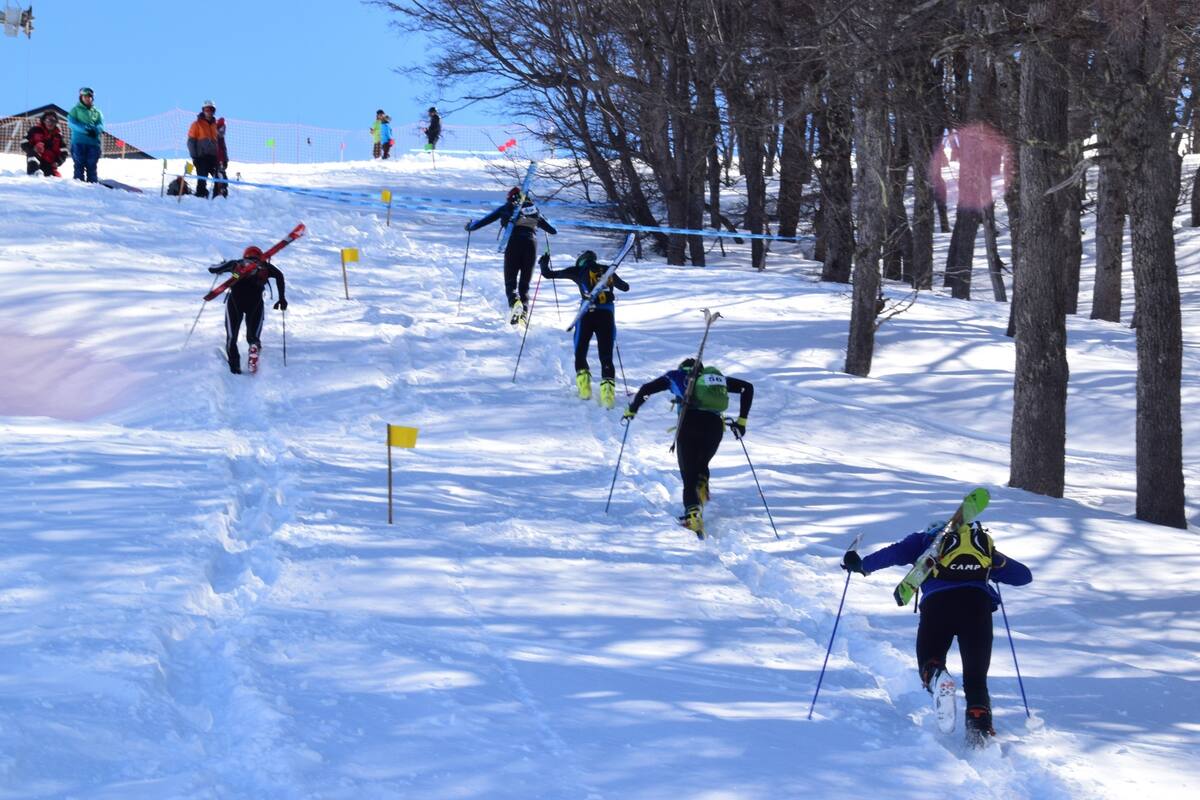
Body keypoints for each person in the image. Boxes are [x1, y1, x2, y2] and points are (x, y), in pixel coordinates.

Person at [841, 518, 1032, 745]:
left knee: (930, 659)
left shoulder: (923, 540)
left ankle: (937, 676)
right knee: (976, 677)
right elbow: (1023, 576)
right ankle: (978, 733)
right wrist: (994, 562)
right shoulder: (983, 548)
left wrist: (860, 564)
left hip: (937, 606)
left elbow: (891, 554)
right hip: (978, 608)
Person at [623, 359, 753, 537]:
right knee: (702, 462)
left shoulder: (676, 377)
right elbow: (747, 388)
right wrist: (742, 422)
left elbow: (647, 389)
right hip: (714, 427)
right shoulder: (715, 380)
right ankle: (702, 483)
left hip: (689, 424)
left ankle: (693, 515)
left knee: (688, 474)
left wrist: (633, 409)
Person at [539, 249, 629, 408]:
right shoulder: (608, 269)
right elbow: (625, 287)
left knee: (580, 350)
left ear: (580, 260)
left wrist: (543, 262)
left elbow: (548, 274)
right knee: (606, 355)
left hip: (586, 314)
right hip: (607, 315)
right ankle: (608, 394)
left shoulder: (577, 270)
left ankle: (584, 388)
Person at [464, 187, 557, 324]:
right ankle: (523, 314)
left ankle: (514, 304)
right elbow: (552, 230)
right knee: (524, 284)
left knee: (510, 282)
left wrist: (470, 227)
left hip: (514, 244)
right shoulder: (533, 209)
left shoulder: (507, 208)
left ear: (510, 198)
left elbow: (485, 220)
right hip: (531, 245)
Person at [208, 247, 288, 375]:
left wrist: (222, 267)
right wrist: (282, 298)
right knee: (253, 335)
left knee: (232, 336)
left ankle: (234, 368)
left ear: (246, 255)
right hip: (255, 302)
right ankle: (254, 345)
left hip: (235, 301)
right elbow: (280, 276)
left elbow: (212, 269)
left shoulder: (236, 264)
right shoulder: (265, 267)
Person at [67, 87, 104, 183]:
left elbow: (101, 125)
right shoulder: (75, 110)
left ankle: (93, 184)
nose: (87, 98)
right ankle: (79, 184)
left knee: (92, 165)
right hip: (79, 142)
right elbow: (72, 123)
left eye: (89, 97)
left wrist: (95, 130)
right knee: (79, 164)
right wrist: (85, 130)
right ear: (81, 98)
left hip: (93, 143)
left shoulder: (97, 112)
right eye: (85, 96)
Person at [187, 101, 221, 198]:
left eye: (211, 109)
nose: (209, 112)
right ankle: (201, 195)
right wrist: (194, 156)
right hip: (201, 157)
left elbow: (220, 143)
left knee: (219, 176)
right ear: (203, 110)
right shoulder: (197, 124)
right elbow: (190, 142)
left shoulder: (217, 125)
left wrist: (222, 158)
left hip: (214, 157)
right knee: (202, 176)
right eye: (206, 109)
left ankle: (218, 196)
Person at [22, 111, 66, 177]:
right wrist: (32, 149)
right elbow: (24, 142)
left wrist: (58, 162)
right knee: (33, 154)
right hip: (36, 159)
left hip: (49, 164)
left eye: (53, 121)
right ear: (43, 121)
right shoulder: (34, 130)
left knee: (55, 180)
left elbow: (64, 152)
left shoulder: (58, 136)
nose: (50, 123)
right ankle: (33, 175)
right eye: (48, 120)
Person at [213, 116, 230, 198]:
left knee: (223, 178)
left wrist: (225, 160)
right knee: (219, 177)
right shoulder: (215, 138)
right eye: (221, 129)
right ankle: (217, 194)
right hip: (216, 162)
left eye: (224, 130)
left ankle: (223, 193)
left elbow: (224, 150)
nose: (222, 131)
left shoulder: (222, 139)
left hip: (222, 162)